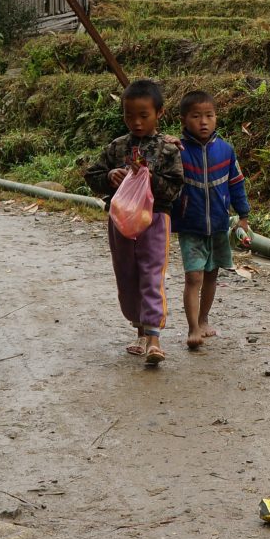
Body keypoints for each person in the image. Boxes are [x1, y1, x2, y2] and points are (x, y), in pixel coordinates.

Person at [84, 79, 184, 366]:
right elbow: (92, 176)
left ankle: (154, 338)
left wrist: (149, 178)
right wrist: (110, 176)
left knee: (152, 274)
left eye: (144, 115)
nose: (136, 122)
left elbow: (176, 186)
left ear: (159, 113)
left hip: (155, 219)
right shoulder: (117, 147)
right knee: (127, 275)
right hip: (121, 221)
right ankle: (140, 329)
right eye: (129, 116)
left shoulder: (168, 149)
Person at [172, 90, 252, 351]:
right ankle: (193, 327)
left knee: (211, 274)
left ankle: (204, 320)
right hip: (190, 226)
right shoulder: (177, 152)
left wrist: (243, 217)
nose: (203, 122)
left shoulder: (226, 151)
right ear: (184, 120)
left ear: (216, 118)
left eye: (209, 115)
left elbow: (237, 184)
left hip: (218, 225)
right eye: (196, 116)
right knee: (193, 277)